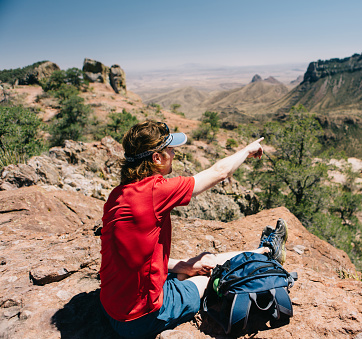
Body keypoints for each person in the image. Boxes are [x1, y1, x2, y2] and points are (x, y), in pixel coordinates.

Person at [99, 120, 288, 339]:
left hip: (114, 307)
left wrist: (183, 265)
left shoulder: (118, 195)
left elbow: (131, 258)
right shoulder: (154, 192)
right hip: (141, 318)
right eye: (169, 149)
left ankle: (262, 251)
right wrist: (247, 150)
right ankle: (268, 255)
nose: (173, 153)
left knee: (200, 261)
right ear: (156, 158)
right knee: (211, 274)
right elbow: (220, 172)